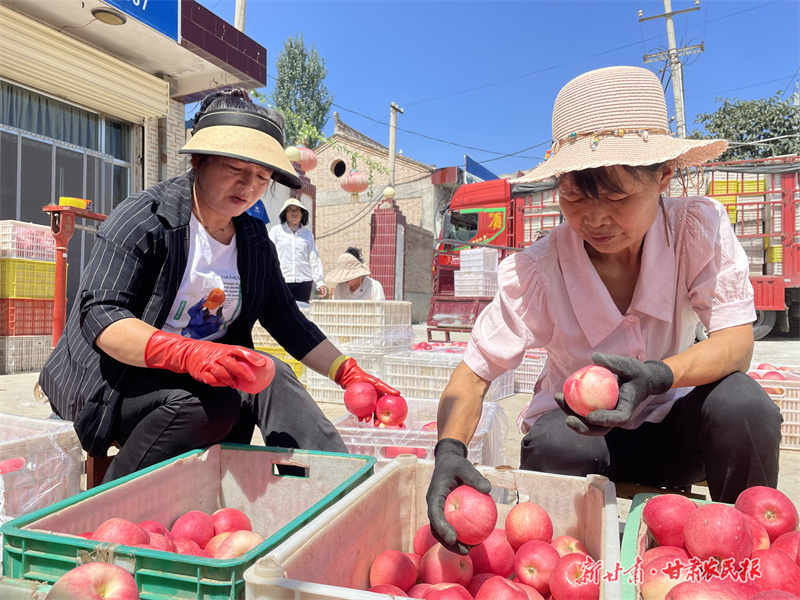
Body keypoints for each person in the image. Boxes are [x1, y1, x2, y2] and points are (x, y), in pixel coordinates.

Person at [425, 66, 783, 555]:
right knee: (555, 440)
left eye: (616, 194)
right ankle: (572, 561)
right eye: (573, 196)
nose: (593, 218)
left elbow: (737, 341)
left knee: (743, 405)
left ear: (664, 177)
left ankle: (752, 555)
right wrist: (449, 450)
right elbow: (473, 375)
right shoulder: (539, 271)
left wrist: (660, 375)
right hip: (584, 443)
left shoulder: (693, 232)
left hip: (675, 435)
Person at [39, 87, 399, 482]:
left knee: (272, 372)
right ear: (199, 161)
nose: (248, 186)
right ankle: (106, 509)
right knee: (212, 402)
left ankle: (338, 486)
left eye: (262, 177)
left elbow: (285, 318)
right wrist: (189, 355)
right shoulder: (145, 217)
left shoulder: (253, 238)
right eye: (235, 169)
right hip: (119, 380)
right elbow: (102, 318)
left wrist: (346, 371)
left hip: (207, 381)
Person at [269, 198, 327, 302]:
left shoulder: (308, 235)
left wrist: (320, 282)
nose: (294, 213)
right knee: (282, 313)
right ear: (285, 214)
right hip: (282, 280)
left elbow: (314, 258)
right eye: (290, 210)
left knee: (302, 313)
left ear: (302, 214)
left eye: (297, 210)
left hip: (304, 281)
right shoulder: (276, 231)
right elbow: (268, 255)